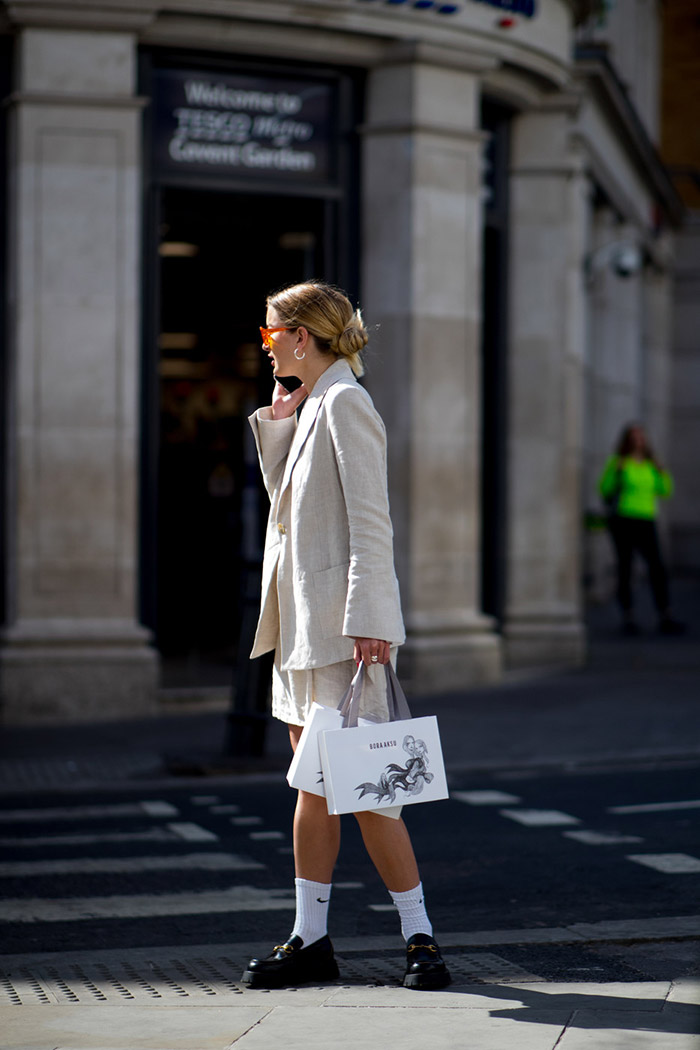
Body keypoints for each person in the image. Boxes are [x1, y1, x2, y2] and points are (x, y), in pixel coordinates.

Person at [240, 281, 450, 991]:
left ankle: (420, 938)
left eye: (271, 333)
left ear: (301, 335)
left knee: (364, 790)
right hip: (302, 627)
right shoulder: (317, 403)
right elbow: (293, 514)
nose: (265, 344)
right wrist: (278, 424)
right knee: (317, 790)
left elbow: (369, 522)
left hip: (338, 631)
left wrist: (372, 622)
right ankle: (312, 938)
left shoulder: (348, 404)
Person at [598, 422, 684, 636]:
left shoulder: (650, 464)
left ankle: (665, 613)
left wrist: (661, 470)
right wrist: (616, 473)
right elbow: (604, 489)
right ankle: (628, 616)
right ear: (627, 441)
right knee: (625, 568)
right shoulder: (619, 462)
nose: (638, 441)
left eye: (641, 437)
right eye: (633, 437)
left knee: (657, 568)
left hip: (646, 519)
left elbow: (665, 490)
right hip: (623, 519)